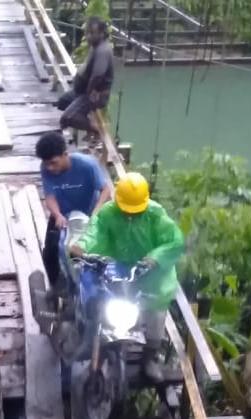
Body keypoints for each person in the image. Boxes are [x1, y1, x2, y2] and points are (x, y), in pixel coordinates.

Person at [68, 171, 185, 384]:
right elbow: (96, 232)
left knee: (156, 314)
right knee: (101, 297)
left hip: (152, 273)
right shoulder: (108, 213)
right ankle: (93, 335)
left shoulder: (157, 215)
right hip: (118, 266)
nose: (130, 215)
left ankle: (149, 357)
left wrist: (154, 258)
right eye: (126, 211)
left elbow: (175, 242)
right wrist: (82, 247)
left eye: (135, 211)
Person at [35, 131, 113, 284]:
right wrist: (57, 215)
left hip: (89, 213)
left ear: (65, 154)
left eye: (54, 163)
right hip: (63, 215)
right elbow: (50, 197)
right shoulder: (45, 169)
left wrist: (96, 213)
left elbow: (105, 189)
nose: (50, 168)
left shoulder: (87, 165)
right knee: (50, 254)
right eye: (47, 164)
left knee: (98, 250)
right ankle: (56, 288)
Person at [56, 18, 115, 133]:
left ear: (102, 34)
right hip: (81, 92)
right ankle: (81, 117)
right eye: (87, 33)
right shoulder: (95, 45)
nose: (88, 36)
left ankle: (96, 130)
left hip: (94, 94)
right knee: (62, 101)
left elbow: (98, 75)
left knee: (68, 117)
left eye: (92, 33)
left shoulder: (103, 50)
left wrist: (89, 93)